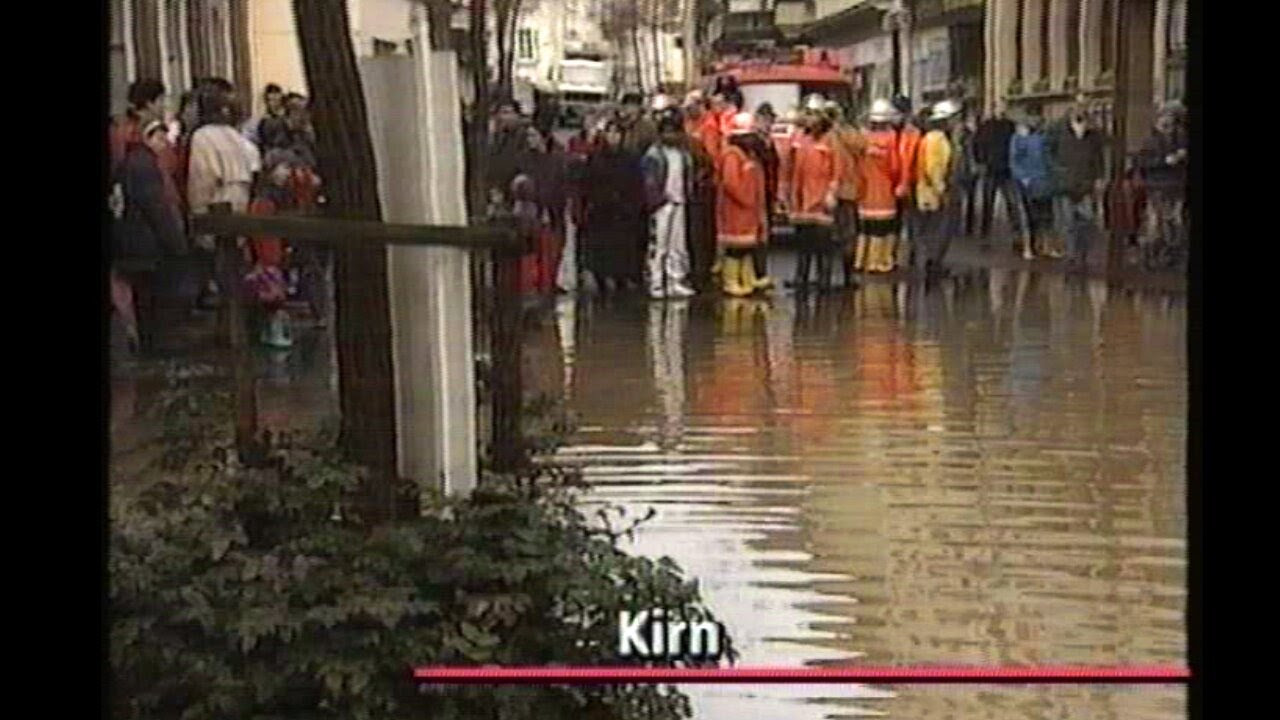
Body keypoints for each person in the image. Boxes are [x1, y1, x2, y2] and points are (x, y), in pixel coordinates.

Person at [113, 120, 187, 354]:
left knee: (143, 299)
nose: (164, 143)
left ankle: (147, 344)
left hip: (135, 241)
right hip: (147, 243)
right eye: (159, 137)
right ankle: (154, 347)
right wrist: (176, 242)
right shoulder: (144, 164)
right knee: (154, 301)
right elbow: (156, 207)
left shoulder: (132, 161)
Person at [641, 109, 697, 299]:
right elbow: (649, 182)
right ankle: (656, 283)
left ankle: (675, 281)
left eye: (674, 131)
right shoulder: (654, 154)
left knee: (678, 246)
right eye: (667, 131)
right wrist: (657, 201)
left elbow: (689, 176)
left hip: (679, 202)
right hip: (662, 205)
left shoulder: (684, 154)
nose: (671, 135)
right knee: (659, 246)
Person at [583, 121, 646, 292]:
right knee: (602, 250)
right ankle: (601, 279)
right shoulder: (596, 157)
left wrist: (633, 206)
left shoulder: (630, 158)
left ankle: (622, 280)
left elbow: (637, 184)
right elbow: (587, 183)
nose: (613, 137)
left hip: (623, 213)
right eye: (610, 133)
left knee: (622, 250)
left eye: (617, 133)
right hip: (601, 211)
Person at [788, 105, 842, 292]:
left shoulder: (830, 140)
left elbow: (837, 169)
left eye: (814, 115)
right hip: (802, 201)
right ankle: (801, 279)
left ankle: (823, 280)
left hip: (820, 200)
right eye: (808, 115)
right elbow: (791, 168)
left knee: (823, 245)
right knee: (803, 245)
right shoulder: (800, 138)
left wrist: (831, 193)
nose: (811, 120)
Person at [1046, 103, 1106, 273]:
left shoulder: (1094, 136)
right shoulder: (1060, 132)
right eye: (1077, 113)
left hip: (1086, 184)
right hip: (1066, 184)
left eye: (1083, 114)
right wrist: (1057, 170)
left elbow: (1098, 158)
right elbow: (1048, 152)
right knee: (1069, 222)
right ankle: (1072, 255)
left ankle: (1083, 253)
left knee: (1088, 220)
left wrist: (1099, 178)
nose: (1081, 117)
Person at [716, 112, 768, 297]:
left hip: (747, 210)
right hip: (736, 210)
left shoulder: (747, 155)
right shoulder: (732, 155)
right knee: (735, 248)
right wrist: (746, 199)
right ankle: (731, 281)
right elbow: (731, 183)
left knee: (746, 247)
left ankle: (746, 278)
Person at [855, 99, 903, 274]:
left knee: (864, 228)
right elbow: (895, 166)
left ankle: (861, 260)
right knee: (882, 229)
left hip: (865, 189)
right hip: (884, 190)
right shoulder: (891, 139)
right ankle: (880, 262)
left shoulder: (862, 138)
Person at [1136, 104, 1188, 263]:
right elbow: (1143, 162)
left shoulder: (1181, 138)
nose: (1169, 123)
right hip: (1157, 186)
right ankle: (1150, 253)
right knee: (1156, 222)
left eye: (1172, 119)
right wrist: (1164, 161)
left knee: (1174, 220)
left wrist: (1182, 157)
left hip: (1176, 185)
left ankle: (1169, 253)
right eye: (1166, 118)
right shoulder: (1150, 140)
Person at [974, 102, 1027, 248]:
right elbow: (977, 145)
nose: (1002, 110)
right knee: (988, 204)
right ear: (994, 109)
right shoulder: (985, 126)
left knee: (1012, 204)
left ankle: (1016, 235)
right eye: (999, 107)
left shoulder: (1010, 126)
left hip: (1007, 169)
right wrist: (981, 161)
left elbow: (1017, 144)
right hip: (991, 169)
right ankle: (985, 235)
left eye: (1004, 107)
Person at [914, 100, 957, 277]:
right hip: (933, 191)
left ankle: (933, 261)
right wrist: (941, 190)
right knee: (938, 228)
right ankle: (933, 263)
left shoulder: (932, 138)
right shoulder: (936, 140)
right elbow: (934, 167)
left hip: (929, 190)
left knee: (934, 228)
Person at [1009, 111, 1056, 260]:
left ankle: (1046, 246)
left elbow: (1049, 157)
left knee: (1046, 216)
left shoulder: (1043, 136)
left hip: (1043, 180)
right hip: (1027, 181)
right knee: (1028, 216)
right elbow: (1014, 159)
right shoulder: (1020, 137)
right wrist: (1023, 177)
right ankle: (1028, 247)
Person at [830, 101, 867, 287]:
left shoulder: (830, 136)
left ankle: (840, 275)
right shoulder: (847, 134)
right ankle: (846, 275)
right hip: (844, 191)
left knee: (839, 235)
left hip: (837, 191)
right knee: (846, 234)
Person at [892, 95, 922, 272]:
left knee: (912, 222)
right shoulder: (891, 131)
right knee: (893, 223)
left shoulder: (912, 134)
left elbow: (912, 159)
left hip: (910, 183)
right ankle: (894, 254)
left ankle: (914, 255)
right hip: (892, 183)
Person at [242, 83, 286, 149]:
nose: (274, 103)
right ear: (266, 101)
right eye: (271, 100)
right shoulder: (258, 121)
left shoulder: (287, 118)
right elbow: (248, 138)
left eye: (278, 100)